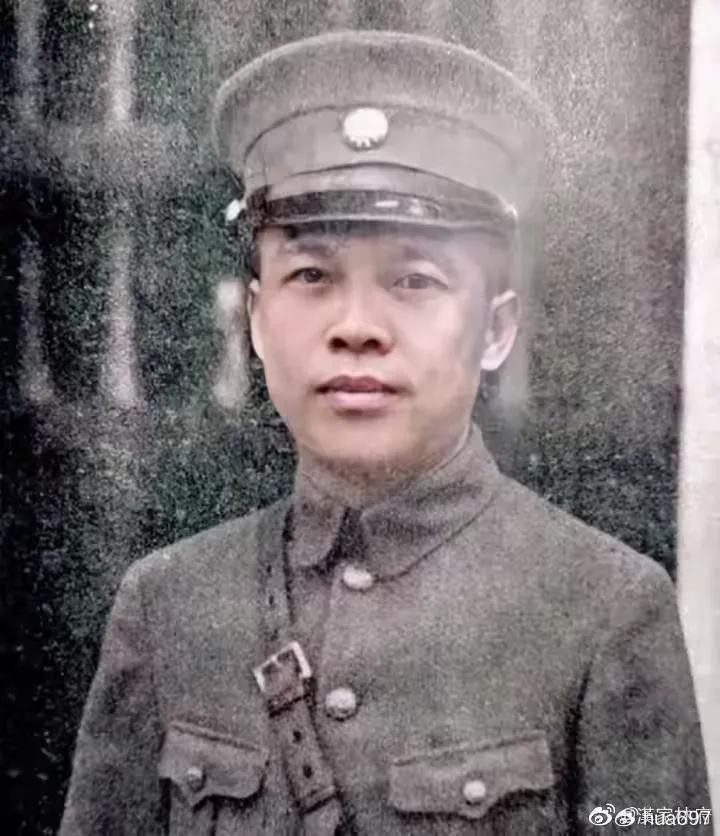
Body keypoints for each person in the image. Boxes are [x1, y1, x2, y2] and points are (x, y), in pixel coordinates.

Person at [59, 31, 711, 835]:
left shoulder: (605, 610)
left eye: (414, 279)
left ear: (495, 329)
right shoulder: (168, 607)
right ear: (257, 319)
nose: (357, 327)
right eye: (311, 275)